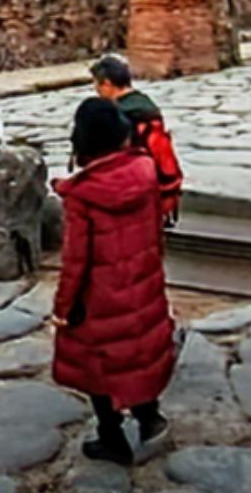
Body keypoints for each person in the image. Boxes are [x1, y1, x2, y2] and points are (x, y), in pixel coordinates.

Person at [52, 97, 176, 466]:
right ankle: (149, 417)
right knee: (136, 353)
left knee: (97, 365)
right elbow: (156, 231)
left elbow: (76, 260)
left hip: (99, 298)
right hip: (142, 281)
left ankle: (111, 437)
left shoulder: (83, 195)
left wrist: (63, 308)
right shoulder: (145, 171)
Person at [90, 54, 182, 225]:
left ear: (107, 84)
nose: (96, 90)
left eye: (97, 85)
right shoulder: (148, 106)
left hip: (132, 193)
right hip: (160, 186)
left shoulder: (117, 114)